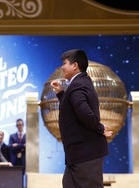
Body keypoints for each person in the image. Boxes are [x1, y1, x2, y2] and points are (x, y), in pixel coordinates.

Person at [51, 49, 113, 188]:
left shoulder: (78, 85)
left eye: (65, 63)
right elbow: (73, 109)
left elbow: (84, 112)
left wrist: (100, 127)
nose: (62, 67)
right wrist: (61, 93)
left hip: (86, 153)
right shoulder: (79, 84)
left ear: (75, 65)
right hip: (77, 154)